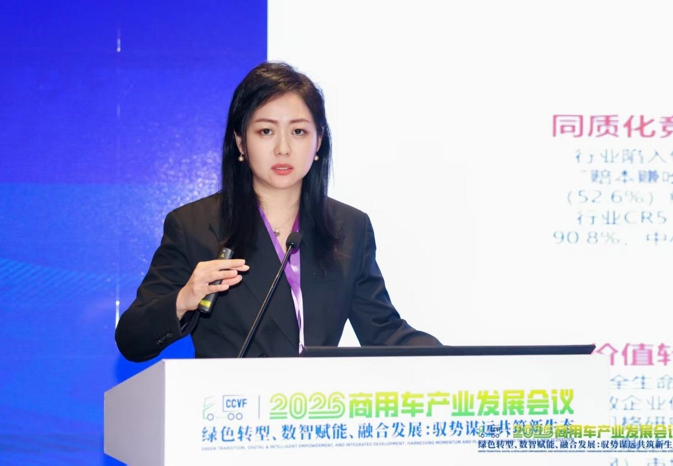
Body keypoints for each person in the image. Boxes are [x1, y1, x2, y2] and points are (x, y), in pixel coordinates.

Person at [115, 61, 440, 362]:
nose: (283, 148)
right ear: (240, 143)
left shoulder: (349, 227)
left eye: (298, 132)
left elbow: (384, 331)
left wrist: (455, 360)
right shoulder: (194, 226)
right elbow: (132, 340)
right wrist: (183, 299)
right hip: (231, 402)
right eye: (266, 131)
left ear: (318, 142)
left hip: (315, 402)